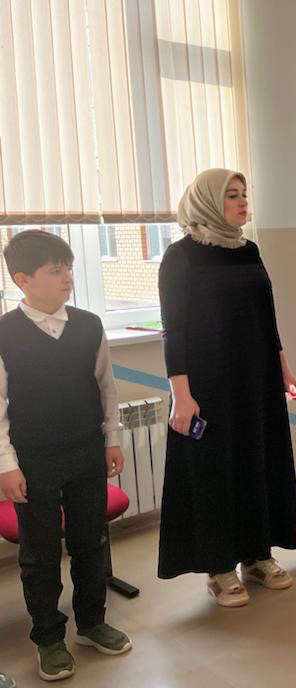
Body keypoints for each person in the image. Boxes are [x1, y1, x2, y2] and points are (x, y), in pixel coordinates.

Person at [158, 169, 296, 604]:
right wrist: (181, 395)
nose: (243, 202)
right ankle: (220, 567)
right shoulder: (180, 256)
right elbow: (174, 330)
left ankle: (258, 556)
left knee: (258, 461)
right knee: (216, 472)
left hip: (257, 377)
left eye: (244, 195)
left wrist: (283, 369)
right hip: (207, 382)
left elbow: (267, 317)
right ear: (206, 203)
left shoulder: (248, 249)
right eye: (232, 196)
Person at [0, 230, 131, 682]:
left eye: (69, 268)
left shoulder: (90, 325)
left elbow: (106, 388)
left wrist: (112, 439)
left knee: (90, 542)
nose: (67, 278)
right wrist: (7, 465)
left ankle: (91, 623)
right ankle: (49, 638)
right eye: (56, 270)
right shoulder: (5, 333)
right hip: (32, 459)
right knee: (39, 554)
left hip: (86, 450)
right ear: (22, 279)